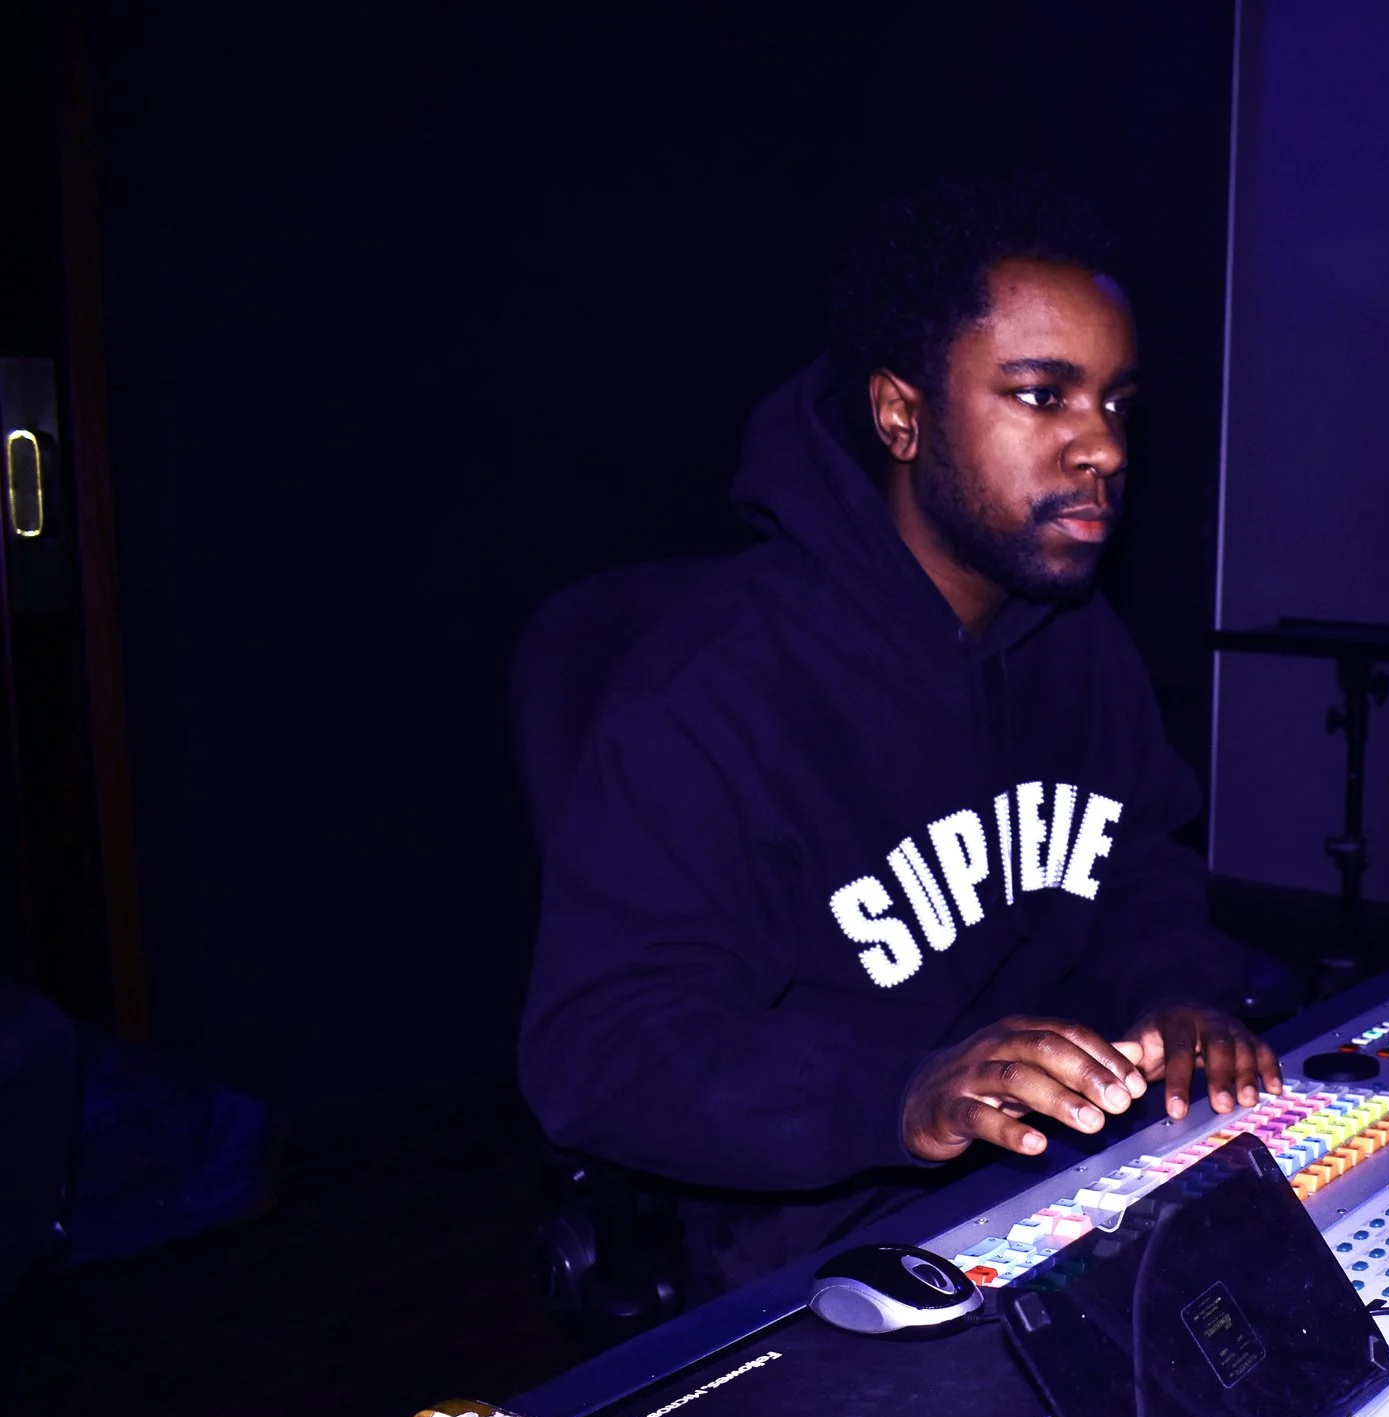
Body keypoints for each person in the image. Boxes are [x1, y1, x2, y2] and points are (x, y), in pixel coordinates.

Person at [520, 176, 1276, 1290]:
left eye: (1115, 402)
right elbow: (601, 1049)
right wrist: (901, 1090)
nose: (1102, 448)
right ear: (901, 415)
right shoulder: (713, 688)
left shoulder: (1077, 635)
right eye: (1040, 396)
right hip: (818, 1240)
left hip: (1064, 1183)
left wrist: (1171, 994)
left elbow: (1136, 868)